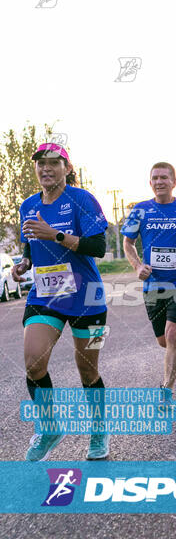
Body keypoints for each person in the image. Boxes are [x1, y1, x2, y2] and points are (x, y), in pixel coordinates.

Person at [12, 142, 109, 461]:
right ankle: (50, 425)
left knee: (88, 372)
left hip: (86, 296)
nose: (45, 168)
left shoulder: (82, 200)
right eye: (40, 163)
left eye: (54, 162)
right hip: (46, 293)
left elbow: (98, 246)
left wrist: (53, 234)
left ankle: (98, 430)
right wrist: (24, 263)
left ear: (68, 168)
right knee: (33, 361)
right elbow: (29, 243)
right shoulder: (28, 205)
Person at [122, 162, 176, 392]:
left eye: (164, 178)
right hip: (153, 282)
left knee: (172, 333)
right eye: (155, 178)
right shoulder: (140, 209)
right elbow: (127, 243)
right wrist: (137, 266)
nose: (159, 182)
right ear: (150, 183)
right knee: (164, 340)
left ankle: (165, 389)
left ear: (174, 182)